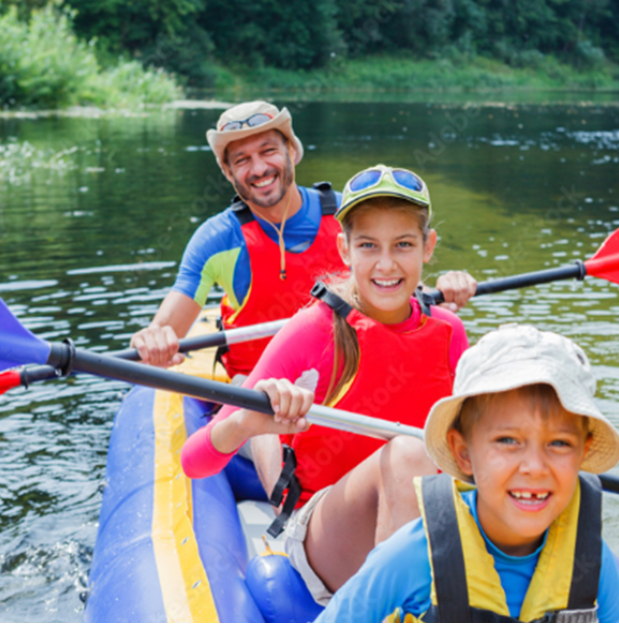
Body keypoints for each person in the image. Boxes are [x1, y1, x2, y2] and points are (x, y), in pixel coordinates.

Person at [180, 165, 470, 601]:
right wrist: (244, 424)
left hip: (421, 518)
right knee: (410, 453)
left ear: (427, 247)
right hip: (325, 530)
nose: (386, 264)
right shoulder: (312, 331)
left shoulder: (449, 331)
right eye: (368, 245)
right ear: (343, 248)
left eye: (403, 244)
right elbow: (193, 462)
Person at [130, 101, 476, 377]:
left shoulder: (348, 214)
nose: (259, 169)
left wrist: (443, 290)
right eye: (242, 160)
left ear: (291, 152)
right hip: (257, 391)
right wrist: (152, 340)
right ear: (228, 172)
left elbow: (399, 277)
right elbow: (165, 331)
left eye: (268, 151)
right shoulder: (217, 239)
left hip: (347, 376)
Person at [316, 324, 619, 623]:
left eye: (559, 443)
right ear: (463, 453)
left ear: (583, 453)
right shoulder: (413, 555)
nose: (534, 467)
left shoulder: (590, 558)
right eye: (508, 440)